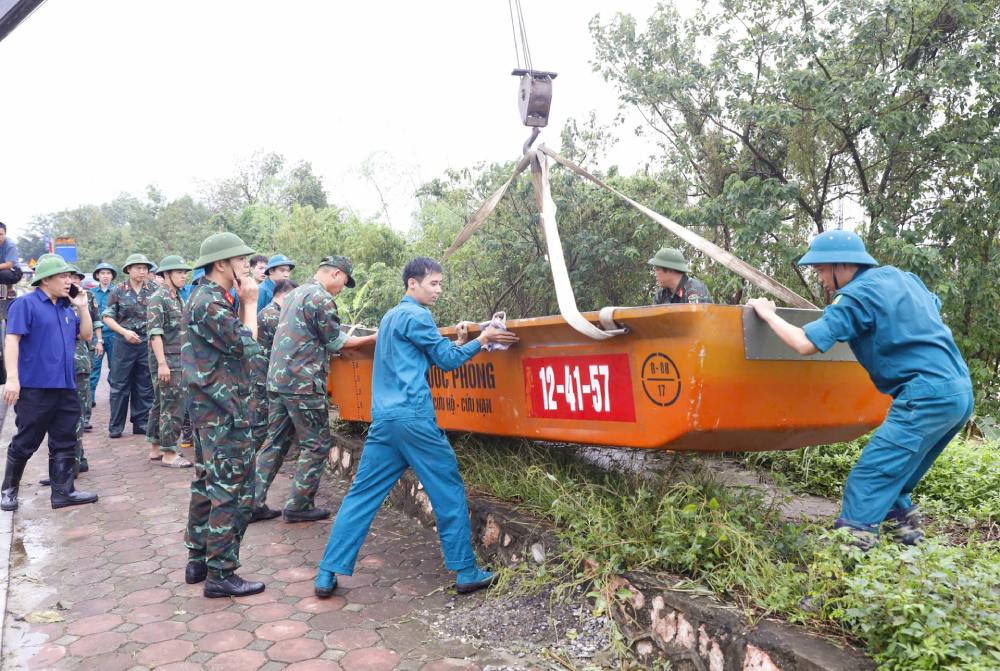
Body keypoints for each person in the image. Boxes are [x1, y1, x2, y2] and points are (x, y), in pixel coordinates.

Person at [747, 230, 974, 550]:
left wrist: (768, 314)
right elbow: (930, 308)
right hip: (959, 393)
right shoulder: (902, 278)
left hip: (923, 396)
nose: (820, 279)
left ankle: (847, 566)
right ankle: (908, 551)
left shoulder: (853, 297)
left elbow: (804, 343)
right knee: (897, 479)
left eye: (821, 270)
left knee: (869, 480)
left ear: (842, 266)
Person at [314, 257, 519, 598]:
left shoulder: (391, 317)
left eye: (440, 283)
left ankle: (327, 572)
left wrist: (464, 340)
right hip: (414, 420)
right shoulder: (418, 315)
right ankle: (466, 571)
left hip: (384, 422)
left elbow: (426, 353)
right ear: (413, 283)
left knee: (362, 497)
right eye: (433, 283)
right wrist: (483, 339)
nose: (439, 289)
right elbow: (447, 361)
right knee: (447, 489)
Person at [253, 259, 375, 524]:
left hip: (278, 382)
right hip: (303, 384)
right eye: (344, 281)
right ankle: (298, 504)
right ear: (336, 273)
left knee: (275, 442)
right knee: (316, 444)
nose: (343, 288)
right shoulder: (320, 298)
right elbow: (335, 342)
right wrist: (373, 338)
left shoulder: (294, 294)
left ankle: (251, 502)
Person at [182, 231, 265, 598]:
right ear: (221, 264)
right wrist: (251, 303)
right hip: (224, 411)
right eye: (241, 260)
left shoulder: (205, 297)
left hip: (210, 410)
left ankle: (199, 559)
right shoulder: (211, 304)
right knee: (232, 490)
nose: (247, 266)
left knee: (206, 484)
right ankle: (221, 573)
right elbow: (249, 348)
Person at [1, 255, 98, 511]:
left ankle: (63, 492)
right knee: (27, 440)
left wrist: (82, 306)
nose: (69, 281)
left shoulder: (66, 308)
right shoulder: (25, 304)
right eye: (63, 277)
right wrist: (12, 378)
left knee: (65, 439)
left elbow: (86, 335)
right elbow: (12, 341)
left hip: (65, 386)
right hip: (35, 387)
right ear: (45, 280)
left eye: (70, 277)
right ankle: (8, 490)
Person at [247, 277, 298, 521]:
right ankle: (249, 497)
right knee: (264, 436)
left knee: (269, 438)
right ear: (286, 296)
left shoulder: (271, 313)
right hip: (266, 383)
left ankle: (252, 500)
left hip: (268, 381)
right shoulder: (273, 316)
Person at [102, 253, 157, 438]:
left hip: (145, 342)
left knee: (144, 383)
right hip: (123, 341)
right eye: (138, 268)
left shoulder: (153, 289)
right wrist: (124, 332)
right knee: (119, 385)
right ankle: (116, 426)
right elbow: (107, 317)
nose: (142, 271)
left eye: (145, 268)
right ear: (129, 270)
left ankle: (140, 422)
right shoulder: (118, 290)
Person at [146, 256, 194, 468]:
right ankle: (169, 453)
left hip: (177, 358)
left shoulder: (178, 297)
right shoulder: (159, 298)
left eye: (185, 272)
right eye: (179, 272)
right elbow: (155, 334)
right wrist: (162, 364)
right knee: (173, 406)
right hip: (167, 360)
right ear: (166, 275)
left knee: (160, 404)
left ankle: (156, 448)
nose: (184, 276)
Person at [88, 261, 117, 406]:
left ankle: (115, 397)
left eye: (108, 273)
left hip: (114, 335)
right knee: (94, 368)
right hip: (96, 336)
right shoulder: (91, 293)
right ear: (97, 276)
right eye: (102, 273)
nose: (105, 276)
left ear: (112, 276)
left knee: (115, 369)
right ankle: (90, 398)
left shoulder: (117, 291)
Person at [648, 247, 713, 304]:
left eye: (657, 269)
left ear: (670, 269)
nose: (655, 274)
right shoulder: (661, 295)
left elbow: (699, 317)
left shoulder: (695, 291)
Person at [0, 221, 23, 295]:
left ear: (5, 234)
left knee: (4, 273)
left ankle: (9, 289)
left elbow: (8, 265)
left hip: (14, 272)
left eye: (0, 234)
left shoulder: (10, 245)